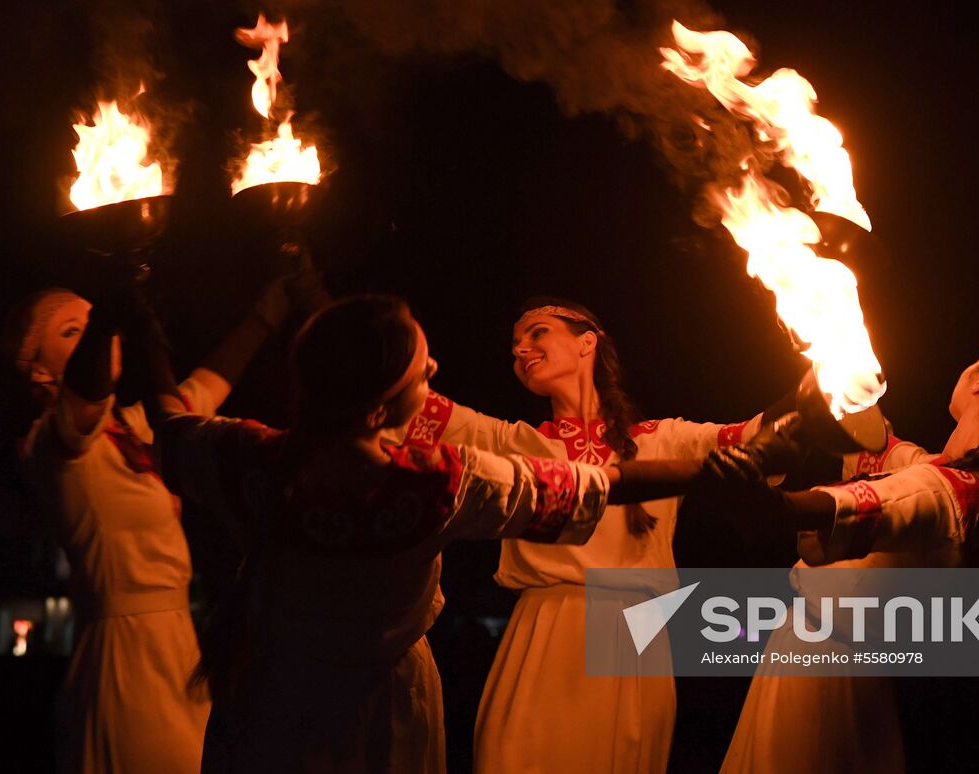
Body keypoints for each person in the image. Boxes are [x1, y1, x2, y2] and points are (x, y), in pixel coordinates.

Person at [151, 295, 771, 774]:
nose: (437, 372)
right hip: (398, 704)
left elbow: (171, 423)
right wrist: (704, 473)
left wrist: (150, 305)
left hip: (269, 695)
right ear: (388, 395)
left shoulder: (243, 456)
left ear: (590, 343)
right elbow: (596, 486)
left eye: (538, 333)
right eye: (423, 366)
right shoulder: (448, 481)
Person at [390, 298, 765, 774]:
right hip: (545, 627)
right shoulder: (513, 442)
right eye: (514, 345)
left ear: (587, 340)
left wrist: (827, 381)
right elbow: (392, 387)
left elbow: (760, 439)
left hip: (635, 633)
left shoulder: (661, 439)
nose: (521, 349)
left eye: (537, 333)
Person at [716, 331, 979, 774]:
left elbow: (852, 507)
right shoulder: (976, 490)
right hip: (854, 677)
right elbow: (894, 454)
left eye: (976, 359)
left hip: (821, 684)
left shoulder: (944, 496)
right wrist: (845, 373)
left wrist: (752, 490)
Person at [6, 272, 315, 774]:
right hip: (123, 655)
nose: (93, 335)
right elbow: (84, 396)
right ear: (40, 373)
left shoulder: (134, 426)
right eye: (71, 331)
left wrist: (271, 308)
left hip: (178, 642)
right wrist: (108, 309)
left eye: (94, 323)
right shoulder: (52, 446)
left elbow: (201, 390)